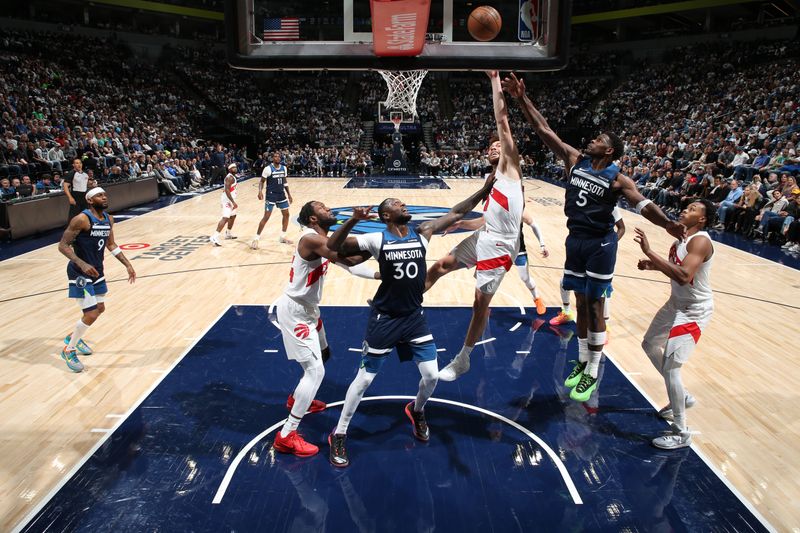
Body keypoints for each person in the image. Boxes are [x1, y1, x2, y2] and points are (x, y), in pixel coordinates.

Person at [502, 72, 684, 402]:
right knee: (581, 305)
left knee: (597, 306)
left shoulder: (619, 179)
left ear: (610, 149)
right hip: (576, 240)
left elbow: (643, 205)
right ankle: (583, 361)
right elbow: (544, 130)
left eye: (599, 139)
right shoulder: (575, 160)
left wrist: (667, 224)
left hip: (601, 243)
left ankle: (594, 368)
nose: (592, 140)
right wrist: (520, 98)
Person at [326, 178, 496, 467]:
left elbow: (456, 213)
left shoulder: (424, 232)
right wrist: (353, 220)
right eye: (396, 204)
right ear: (386, 216)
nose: (403, 204)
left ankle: (417, 410)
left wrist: (485, 189)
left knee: (431, 376)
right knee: (365, 378)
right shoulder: (376, 239)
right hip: (385, 318)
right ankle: (339, 433)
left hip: (414, 317)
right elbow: (334, 245)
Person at [436, 71, 525, 382]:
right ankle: (401, 304)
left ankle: (464, 358)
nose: (493, 149)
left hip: (501, 246)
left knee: (479, 304)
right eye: (490, 148)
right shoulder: (493, 180)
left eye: (497, 147)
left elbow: (503, 122)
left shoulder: (511, 167)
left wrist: (494, 80)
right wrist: (461, 223)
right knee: (439, 265)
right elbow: (487, 219)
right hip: (486, 235)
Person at [273, 201, 379, 457]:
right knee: (316, 371)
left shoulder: (324, 240)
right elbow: (347, 256)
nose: (329, 209)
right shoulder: (310, 239)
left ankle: (296, 399)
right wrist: (380, 245)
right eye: (322, 208)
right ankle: (286, 435)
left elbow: (349, 264)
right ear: (312, 219)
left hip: (309, 310)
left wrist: (379, 275)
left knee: (324, 355)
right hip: (295, 311)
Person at [635, 200, 715, 449]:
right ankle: (682, 396)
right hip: (676, 304)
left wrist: (650, 253)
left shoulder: (700, 241)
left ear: (702, 219)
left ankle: (681, 434)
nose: (685, 210)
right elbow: (676, 269)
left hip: (694, 311)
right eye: (686, 207)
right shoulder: (680, 240)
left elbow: (683, 275)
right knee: (649, 344)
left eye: (692, 209)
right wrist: (653, 265)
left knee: (671, 368)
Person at [57, 187, 136, 372]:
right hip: (79, 272)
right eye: (100, 195)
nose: (104, 197)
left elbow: (111, 244)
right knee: (91, 314)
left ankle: (72, 337)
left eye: (105, 195)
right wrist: (81, 263)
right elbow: (62, 245)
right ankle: (69, 350)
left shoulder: (109, 219)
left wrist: (127, 264)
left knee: (100, 308)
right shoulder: (81, 219)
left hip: (97, 271)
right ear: (90, 201)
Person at [550, 207, 625, 328]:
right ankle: (567, 312)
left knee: (603, 290)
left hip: (601, 253)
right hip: (581, 249)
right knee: (565, 282)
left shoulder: (609, 202)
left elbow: (622, 228)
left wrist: (610, 244)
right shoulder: (581, 201)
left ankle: (605, 325)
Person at [251, 152, 294, 249]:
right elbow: (261, 181)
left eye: (279, 156)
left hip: (281, 194)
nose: (277, 158)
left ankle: (283, 236)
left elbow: (285, 182)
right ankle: (256, 238)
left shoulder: (284, 168)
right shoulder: (268, 169)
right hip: (271, 195)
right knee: (266, 217)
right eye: (275, 156)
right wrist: (260, 191)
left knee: (286, 214)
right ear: (272, 158)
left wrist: (289, 194)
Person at [210, 164, 239, 246]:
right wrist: (233, 202)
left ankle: (228, 234)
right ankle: (214, 236)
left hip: (230, 199)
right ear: (229, 169)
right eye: (233, 168)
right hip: (227, 200)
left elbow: (229, 188)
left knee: (233, 216)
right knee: (226, 217)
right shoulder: (229, 177)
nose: (235, 168)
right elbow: (227, 190)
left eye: (235, 167)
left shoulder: (232, 177)